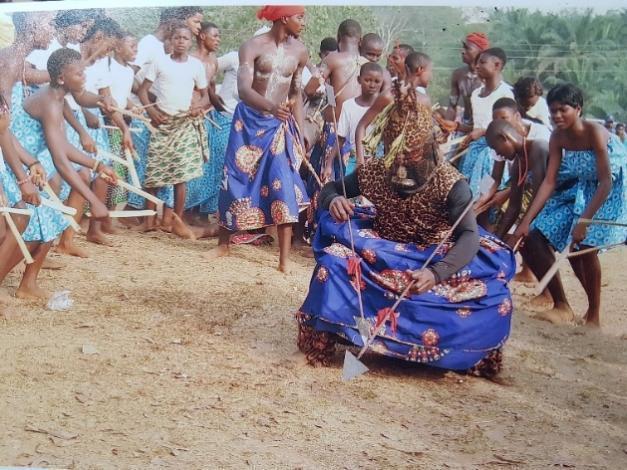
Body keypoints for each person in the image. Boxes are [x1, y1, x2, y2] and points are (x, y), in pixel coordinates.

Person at [297, 69, 515, 378]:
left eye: (408, 157)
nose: (400, 165)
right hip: (384, 254)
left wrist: (435, 273)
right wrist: (333, 200)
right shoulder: (376, 172)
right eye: (394, 155)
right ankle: (323, 346)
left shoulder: (451, 184)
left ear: (426, 148)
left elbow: (468, 236)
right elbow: (332, 189)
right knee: (333, 264)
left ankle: (455, 356)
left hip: (433, 258)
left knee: (495, 298)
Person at [511, 84, 627, 327]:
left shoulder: (594, 133)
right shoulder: (558, 137)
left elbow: (606, 182)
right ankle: (562, 305)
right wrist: (525, 221)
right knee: (534, 236)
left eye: (563, 110)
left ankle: (593, 314)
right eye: (552, 111)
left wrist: (584, 222)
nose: (556, 116)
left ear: (578, 109)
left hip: (611, 190)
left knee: (584, 246)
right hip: (582, 187)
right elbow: (549, 181)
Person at [207, 5, 309, 273]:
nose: (304, 23)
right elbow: (243, 90)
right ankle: (223, 244)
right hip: (249, 123)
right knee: (235, 180)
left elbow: (296, 94)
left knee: (283, 183)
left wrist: (299, 131)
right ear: (284, 18)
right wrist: (270, 106)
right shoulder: (251, 47)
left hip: (280, 126)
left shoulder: (299, 52)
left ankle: (284, 260)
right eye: (300, 17)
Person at [23, 48, 118, 255]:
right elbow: (60, 161)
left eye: (84, 72)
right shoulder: (49, 102)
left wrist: (97, 165)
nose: (84, 77)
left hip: (34, 162)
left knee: (50, 206)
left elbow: (63, 144)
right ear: (61, 78)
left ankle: (31, 267)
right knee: (48, 202)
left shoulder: (59, 98)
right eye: (79, 74)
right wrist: (94, 201)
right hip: (23, 164)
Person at [137, 22, 209, 239]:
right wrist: (153, 113)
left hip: (184, 123)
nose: (180, 42)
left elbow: (205, 94)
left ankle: (176, 220)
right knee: (154, 173)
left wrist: (198, 107)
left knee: (181, 175)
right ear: (171, 40)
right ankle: (149, 220)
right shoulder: (160, 62)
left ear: (190, 42)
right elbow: (142, 91)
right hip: (162, 123)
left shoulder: (196, 66)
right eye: (177, 37)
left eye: (185, 38)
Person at [185, 21, 230, 222]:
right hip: (189, 118)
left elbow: (210, 90)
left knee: (212, 163)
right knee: (193, 165)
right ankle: (186, 211)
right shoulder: (190, 60)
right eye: (215, 36)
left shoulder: (213, 61)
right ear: (202, 36)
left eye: (220, 36)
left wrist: (221, 107)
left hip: (208, 116)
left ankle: (202, 211)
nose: (218, 40)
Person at [457, 48, 514, 197]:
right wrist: (460, 129)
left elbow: (508, 128)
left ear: (497, 65)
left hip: (493, 152)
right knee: (467, 189)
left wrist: (483, 132)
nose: (477, 66)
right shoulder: (476, 94)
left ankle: (483, 213)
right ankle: (473, 214)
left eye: (482, 62)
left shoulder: (506, 93)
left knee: (483, 188)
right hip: (474, 150)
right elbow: (476, 125)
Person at [337, 62, 383, 176]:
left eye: (377, 81)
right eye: (368, 80)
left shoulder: (384, 107)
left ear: (382, 83)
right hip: (355, 159)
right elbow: (340, 139)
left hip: (379, 160)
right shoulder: (348, 105)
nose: (372, 85)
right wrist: (328, 163)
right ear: (359, 80)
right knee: (352, 192)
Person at [444, 32, 489, 125]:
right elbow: (452, 106)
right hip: (465, 122)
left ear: (480, 52)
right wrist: (446, 127)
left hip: (484, 125)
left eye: (467, 48)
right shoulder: (458, 75)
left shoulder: (488, 77)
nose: (462, 51)